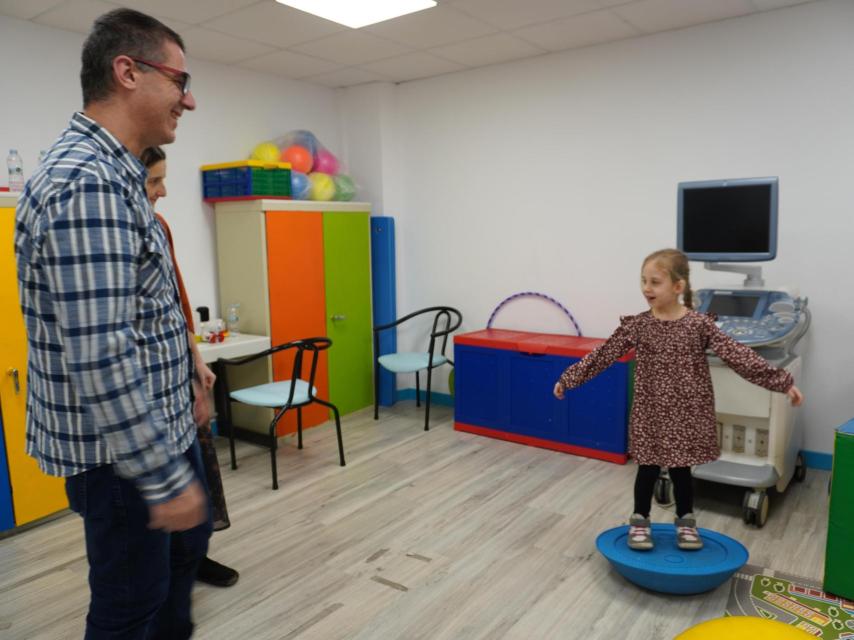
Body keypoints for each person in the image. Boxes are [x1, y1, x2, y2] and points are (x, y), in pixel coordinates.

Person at [14, 8, 211, 639]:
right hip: (120, 458)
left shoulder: (118, 176)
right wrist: (161, 474)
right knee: (129, 606)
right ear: (128, 72)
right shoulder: (88, 184)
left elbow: (146, 312)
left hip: (157, 428)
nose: (188, 99)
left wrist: (189, 383)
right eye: (179, 81)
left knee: (176, 568)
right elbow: (101, 355)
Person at [552, 248, 803, 551]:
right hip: (650, 413)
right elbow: (603, 355)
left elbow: (739, 355)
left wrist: (781, 382)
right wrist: (569, 378)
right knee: (647, 469)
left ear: (678, 286)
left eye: (655, 282)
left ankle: (686, 522)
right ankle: (640, 521)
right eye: (643, 280)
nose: (646, 288)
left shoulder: (699, 325)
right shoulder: (638, 325)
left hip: (686, 415)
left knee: (682, 472)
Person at [142, 145, 239, 587]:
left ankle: (195, 556)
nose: (162, 191)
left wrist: (196, 360)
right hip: (146, 386)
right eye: (154, 181)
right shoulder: (111, 229)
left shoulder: (159, 226)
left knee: (198, 470)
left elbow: (176, 302)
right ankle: (165, 571)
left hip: (178, 370)